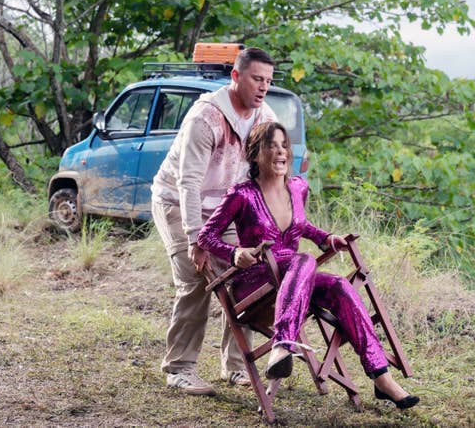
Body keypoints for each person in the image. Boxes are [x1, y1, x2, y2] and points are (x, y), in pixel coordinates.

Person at [197, 122, 420, 410]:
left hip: (294, 282)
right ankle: (284, 342)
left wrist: (326, 238)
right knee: (303, 260)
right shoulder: (241, 194)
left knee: (339, 285)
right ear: (254, 154)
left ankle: (382, 379)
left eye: (284, 145)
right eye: (271, 145)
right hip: (256, 284)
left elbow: (301, 225)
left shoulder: (298, 187)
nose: (280, 151)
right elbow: (206, 236)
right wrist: (234, 252)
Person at [151, 47, 278, 396]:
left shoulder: (263, 116)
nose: (263, 86)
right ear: (236, 77)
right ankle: (179, 369)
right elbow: (187, 183)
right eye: (257, 78)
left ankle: (236, 366)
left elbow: (264, 174)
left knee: (247, 272)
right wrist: (197, 240)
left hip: (223, 208)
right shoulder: (205, 118)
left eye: (268, 80)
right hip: (178, 202)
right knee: (196, 277)